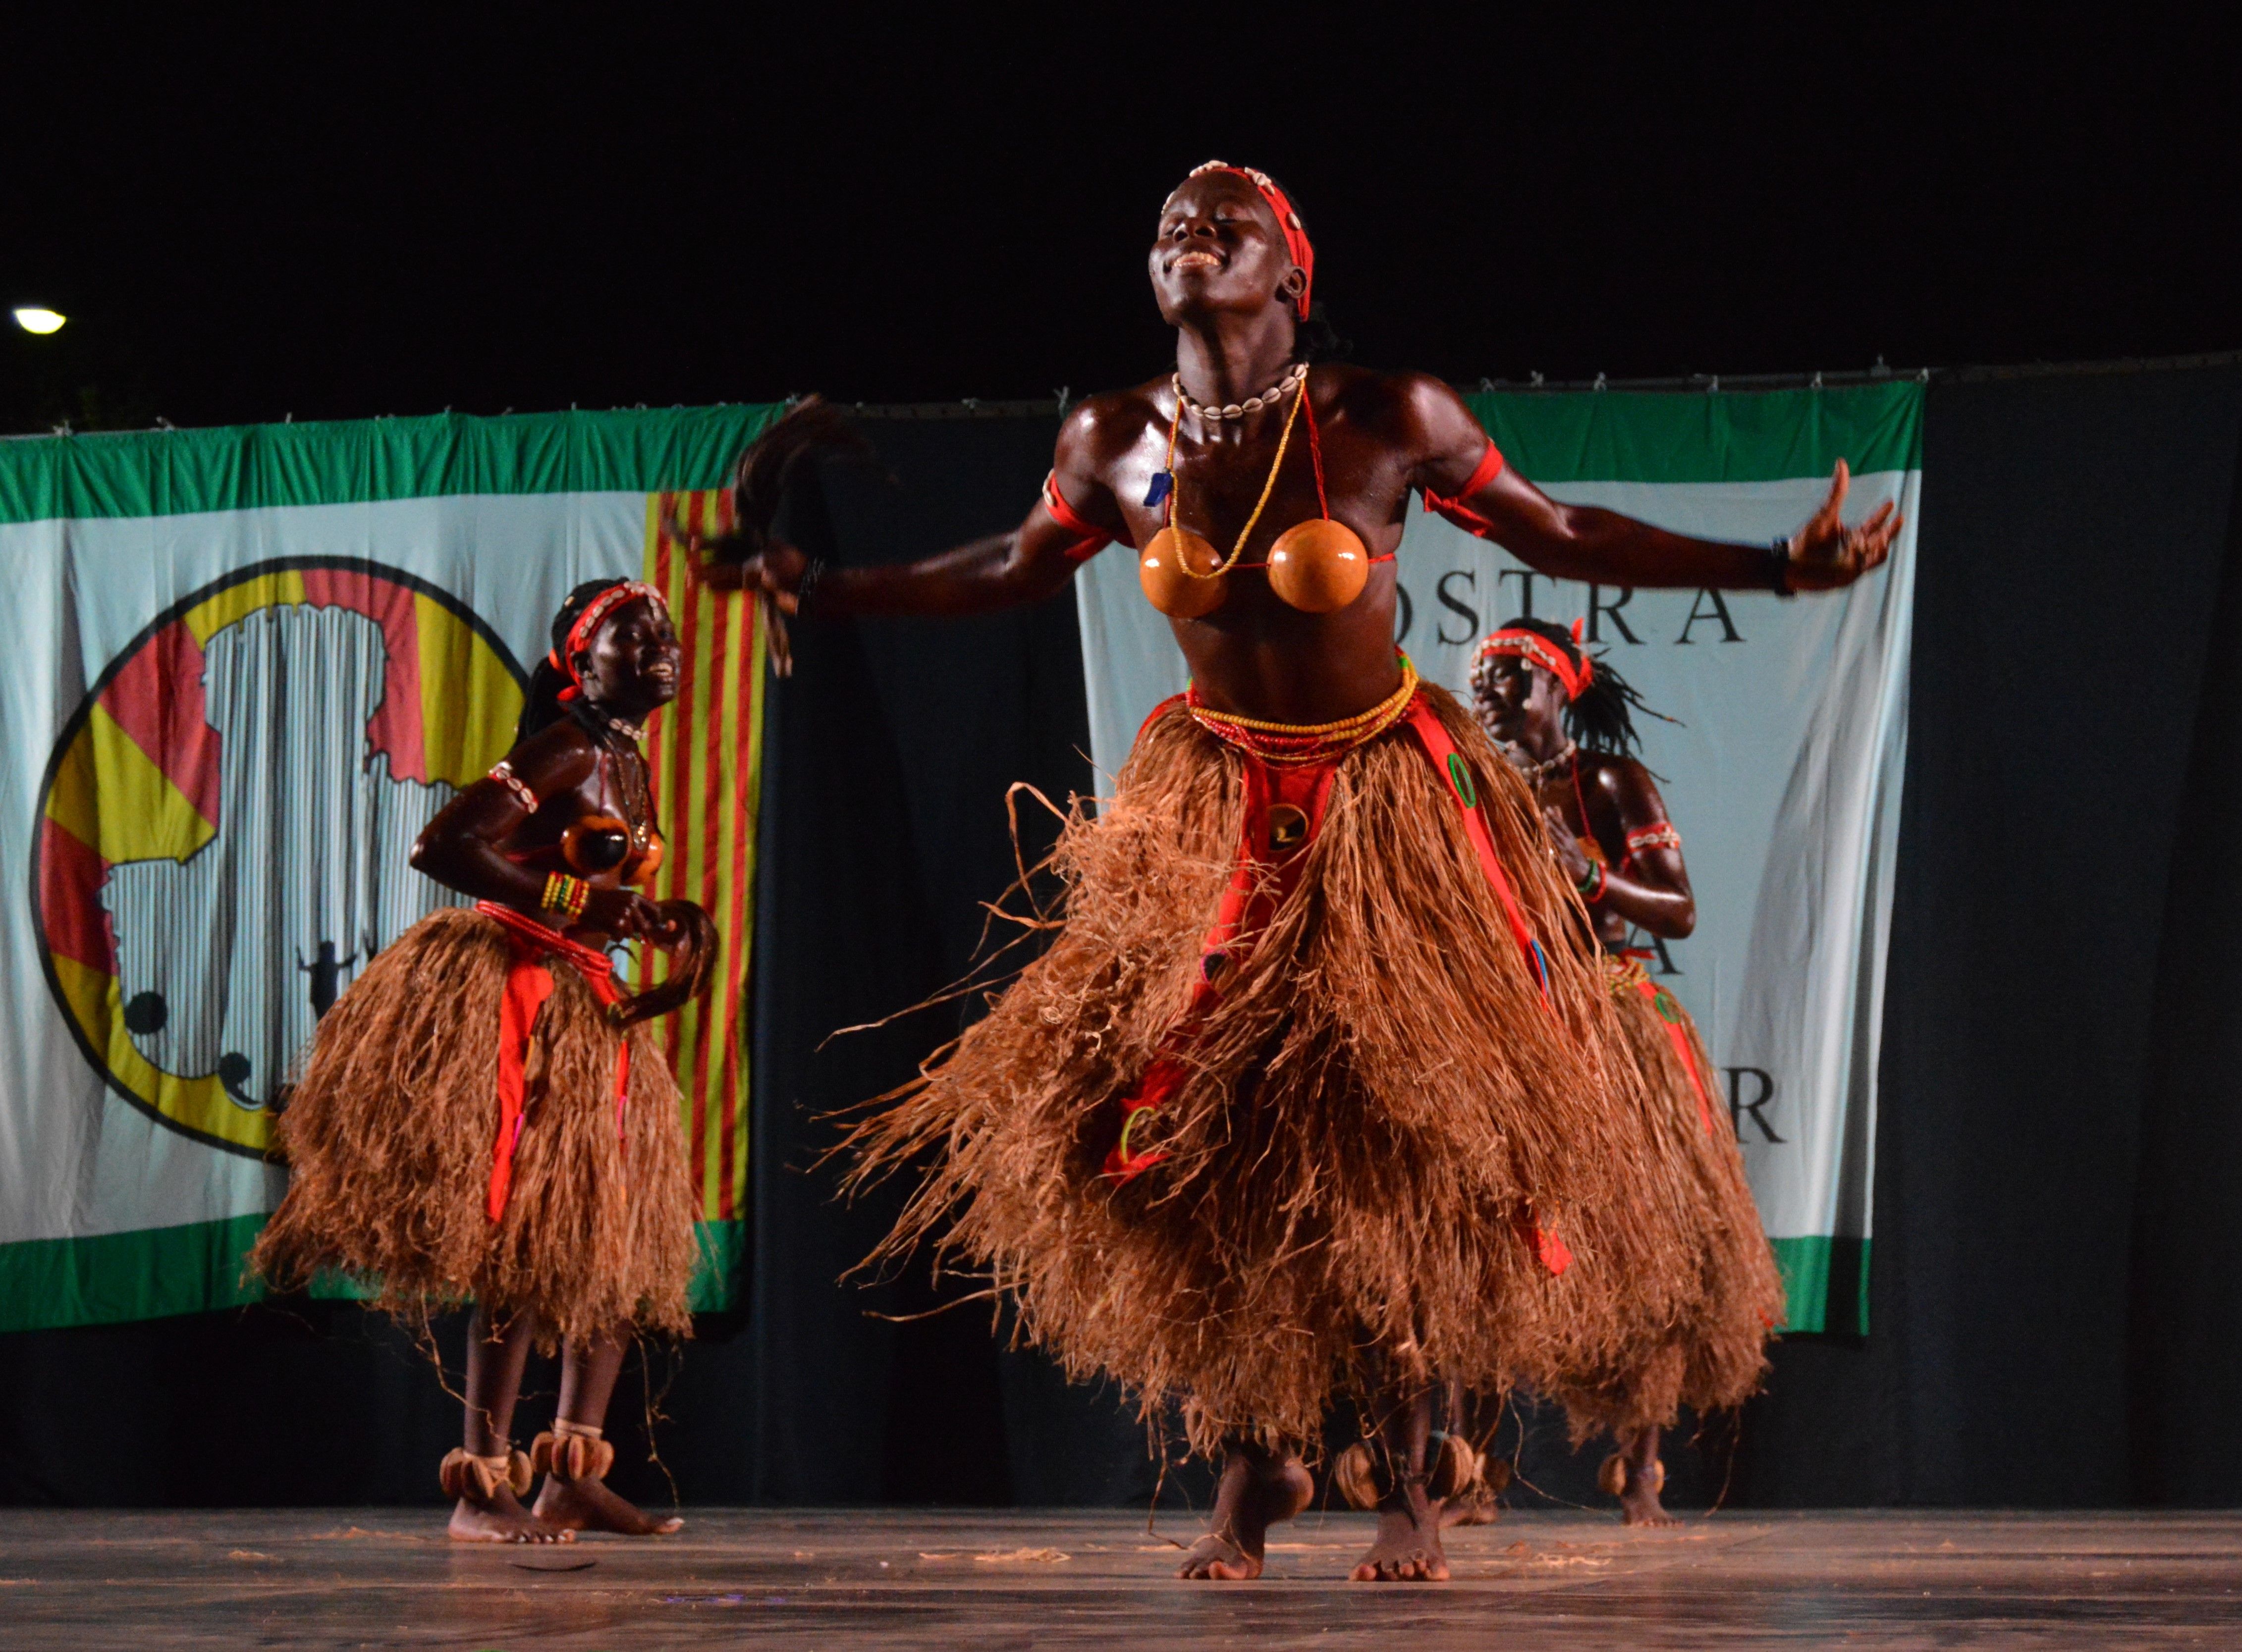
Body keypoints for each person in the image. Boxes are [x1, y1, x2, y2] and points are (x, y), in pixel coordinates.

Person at [709, 160, 1896, 1582]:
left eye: (1230, 225)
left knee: (1397, 1138)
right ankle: (1251, 1458)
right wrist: (830, 591)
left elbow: (1560, 532)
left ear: (1293, 277)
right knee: (1202, 1139)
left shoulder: (1381, 418)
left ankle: (1410, 1484)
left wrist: (1778, 569)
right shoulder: (1125, 438)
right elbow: (1019, 564)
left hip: (1378, 806)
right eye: (1169, 227)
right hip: (1211, 809)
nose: (1190, 238)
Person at [251, 580, 712, 1544]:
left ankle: (572, 1471)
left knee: (606, 1243)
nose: (663, 649)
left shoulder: (624, 760)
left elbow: (600, 889)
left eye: (668, 635)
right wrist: (586, 907)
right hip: (513, 991)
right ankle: (479, 1485)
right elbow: (444, 845)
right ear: (581, 664)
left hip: (585, 1004)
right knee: (522, 1247)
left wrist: (653, 920)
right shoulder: (568, 748)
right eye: (638, 638)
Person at [1469, 618, 1782, 1526]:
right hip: (1519, 1025)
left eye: (1511, 675)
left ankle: (1642, 1471)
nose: (1490, 691)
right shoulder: (1481, 791)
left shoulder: (1607, 780)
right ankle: (1470, 1472)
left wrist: (1591, 881)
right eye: (1481, 677)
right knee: (1491, 1240)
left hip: (1611, 1016)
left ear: (1560, 686)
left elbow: (1678, 910)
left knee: (1646, 1240)